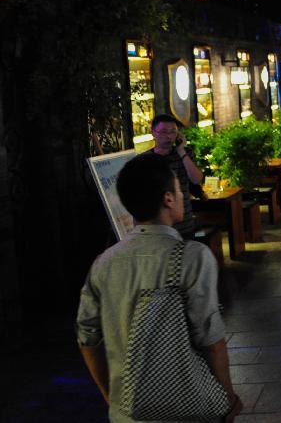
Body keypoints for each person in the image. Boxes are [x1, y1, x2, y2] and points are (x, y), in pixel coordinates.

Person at [77, 153, 241, 422]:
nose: (182, 196)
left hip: (126, 411)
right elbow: (211, 341)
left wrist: (112, 398)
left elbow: (87, 338)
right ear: (168, 198)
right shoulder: (192, 257)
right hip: (188, 408)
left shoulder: (103, 263)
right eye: (178, 190)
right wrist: (227, 399)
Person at [148, 114, 204, 239]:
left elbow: (197, 179)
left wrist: (181, 152)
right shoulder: (146, 159)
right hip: (160, 227)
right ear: (153, 133)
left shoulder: (186, 154)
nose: (169, 136)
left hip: (185, 223)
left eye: (173, 132)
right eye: (163, 132)